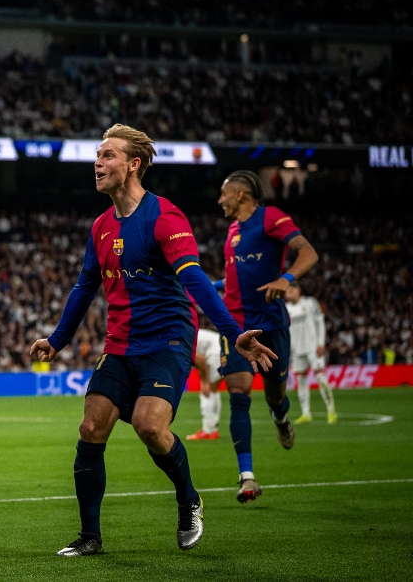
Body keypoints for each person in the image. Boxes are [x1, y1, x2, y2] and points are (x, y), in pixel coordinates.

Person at [28, 124, 276, 557]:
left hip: (167, 339)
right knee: (90, 427)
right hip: (120, 343)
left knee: (149, 425)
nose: (97, 163)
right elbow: (85, 286)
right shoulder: (101, 226)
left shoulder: (165, 217)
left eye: (108, 155)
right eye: (97, 155)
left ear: (133, 164)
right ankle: (90, 536)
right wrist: (58, 339)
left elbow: (195, 280)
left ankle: (189, 500)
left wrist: (234, 333)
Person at [213, 170, 319, 503]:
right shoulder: (231, 232)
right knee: (239, 393)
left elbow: (309, 253)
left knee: (275, 396)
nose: (219, 201)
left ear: (241, 195)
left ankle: (280, 416)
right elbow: (235, 281)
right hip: (236, 326)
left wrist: (286, 278)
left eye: (224, 194)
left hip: (272, 325)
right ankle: (247, 478)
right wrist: (208, 286)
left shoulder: (270, 217)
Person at [286, 284, 336, 424]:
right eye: (287, 291)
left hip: (312, 347)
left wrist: (321, 343)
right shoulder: (286, 308)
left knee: (320, 377)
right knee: (301, 381)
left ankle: (331, 411)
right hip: (296, 350)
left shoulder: (310, 303)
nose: (289, 293)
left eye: (292, 290)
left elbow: (320, 323)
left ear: (298, 290)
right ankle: (306, 414)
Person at [186, 328, 223, 440]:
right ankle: (213, 428)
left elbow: (199, 359)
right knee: (214, 390)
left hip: (215, 352)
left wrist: (204, 381)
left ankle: (208, 431)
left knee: (206, 391)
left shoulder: (177, 338)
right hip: (223, 348)